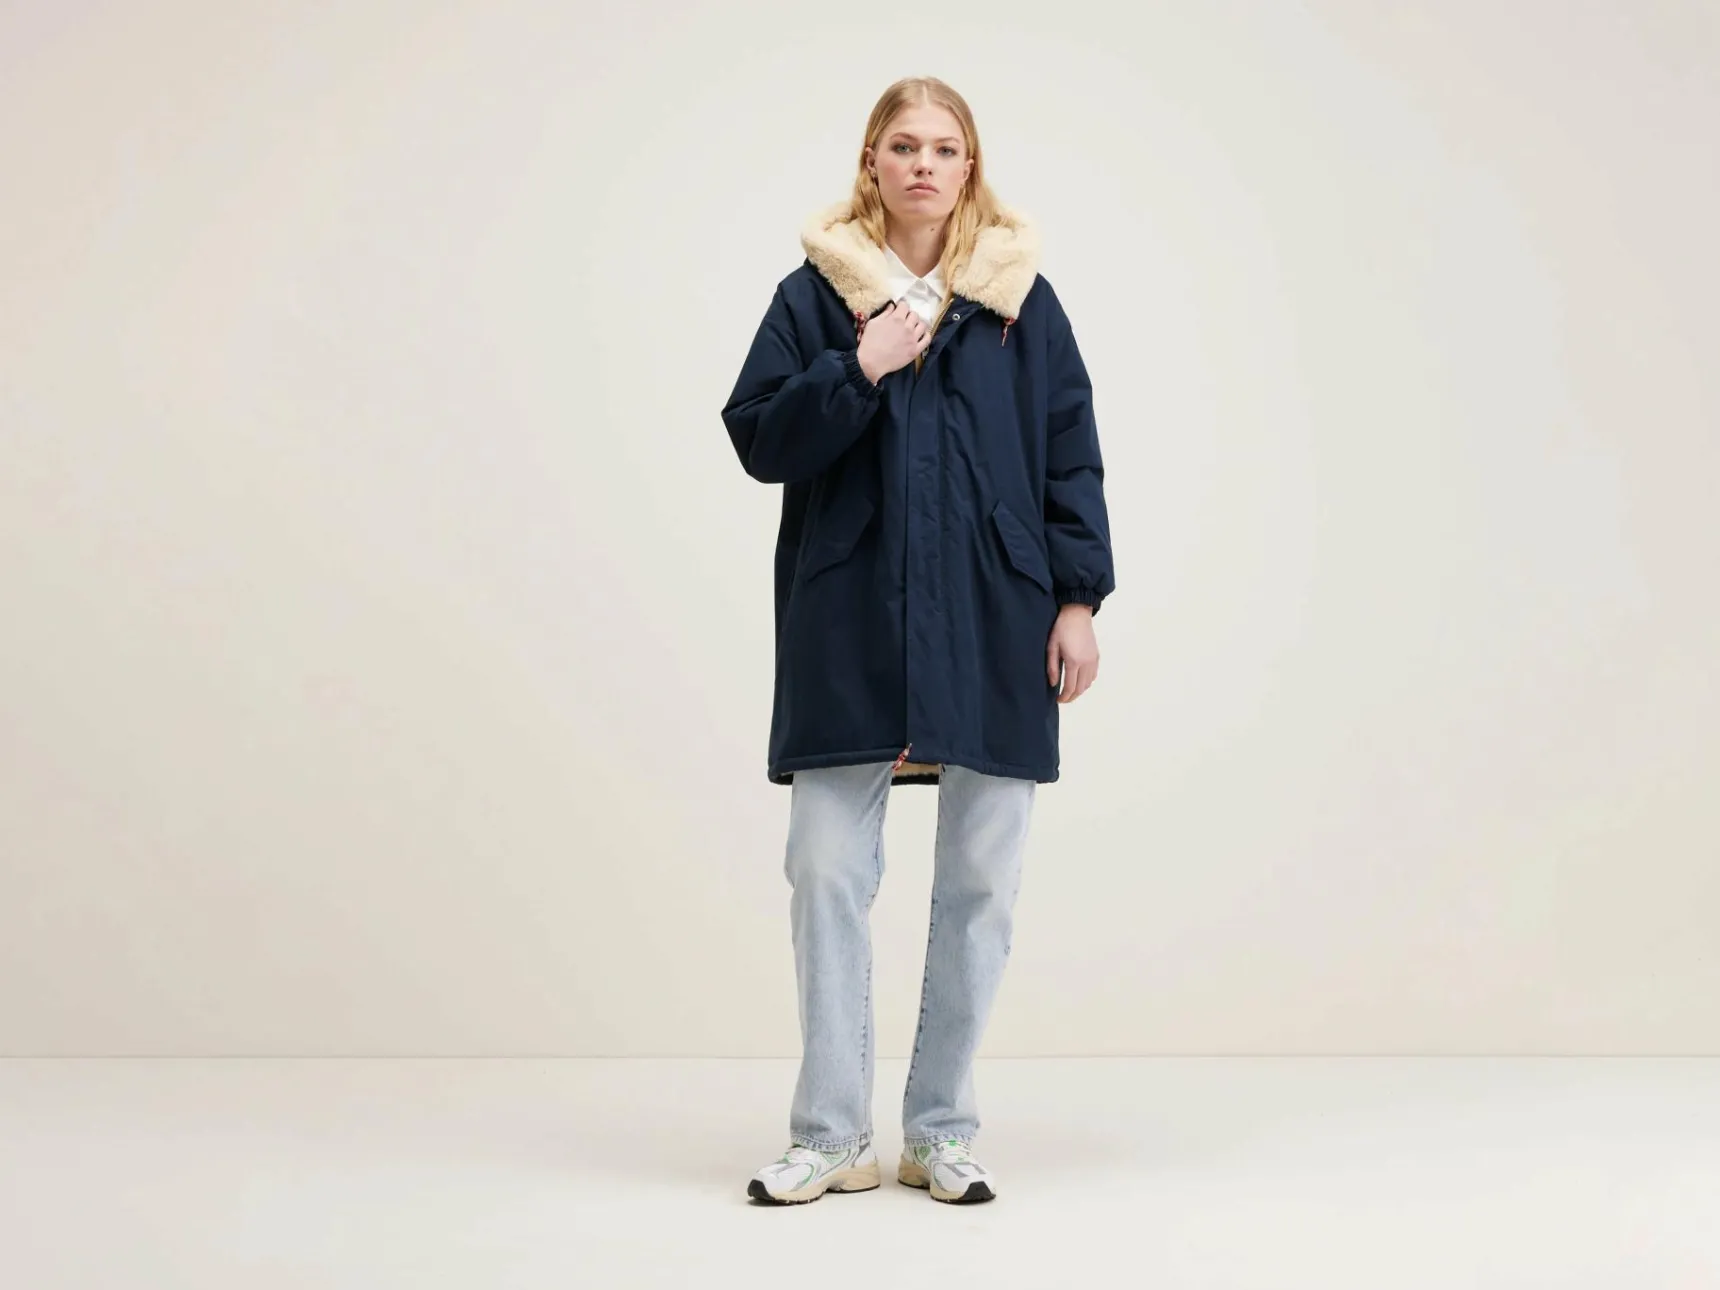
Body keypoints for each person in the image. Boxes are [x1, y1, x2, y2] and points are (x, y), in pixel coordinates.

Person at [721, 76, 1116, 1206]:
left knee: (982, 882)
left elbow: (1069, 449)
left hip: (996, 615)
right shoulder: (814, 297)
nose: (924, 165)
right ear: (873, 162)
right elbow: (759, 439)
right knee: (824, 869)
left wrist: (1077, 598)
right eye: (904, 146)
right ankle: (832, 1134)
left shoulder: (1021, 303)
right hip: (850, 614)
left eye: (945, 148)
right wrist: (860, 367)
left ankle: (939, 1131)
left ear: (968, 166)